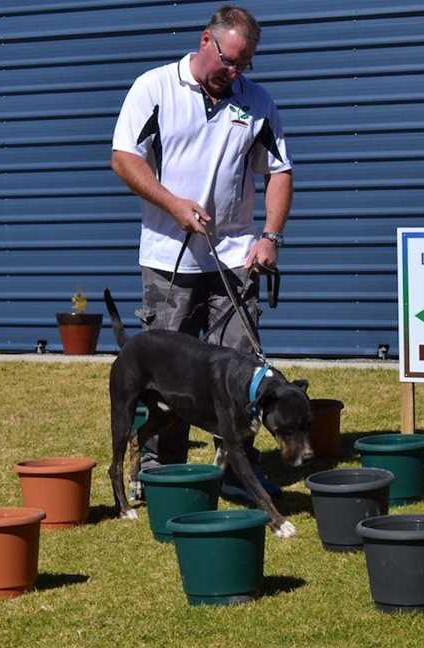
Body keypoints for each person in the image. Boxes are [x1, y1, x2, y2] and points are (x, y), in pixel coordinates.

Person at [110, 4, 293, 479]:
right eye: (229, 60)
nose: (234, 72)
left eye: (244, 64)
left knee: (241, 373)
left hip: (234, 260)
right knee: (168, 377)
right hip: (167, 259)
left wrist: (270, 237)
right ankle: (161, 473)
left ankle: (237, 470)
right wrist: (173, 204)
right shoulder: (154, 88)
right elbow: (124, 159)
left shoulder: (258, 103)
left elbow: (279, 173)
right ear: (205, 41)